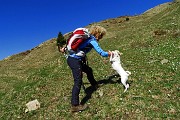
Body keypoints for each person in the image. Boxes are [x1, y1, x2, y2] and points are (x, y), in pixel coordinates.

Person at [60, 25, 112, 112]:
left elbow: (77, 46)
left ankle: (94, 85)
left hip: (74, 59)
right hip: (74, 61)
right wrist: (109, 54)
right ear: (98, 34)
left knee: (88, 70)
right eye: (102, 35)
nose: (102, 37)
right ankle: (75, 105)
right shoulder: (92, 40)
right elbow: (101, 53)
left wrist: (64, 49)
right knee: (78, 80)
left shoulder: (86, 38)